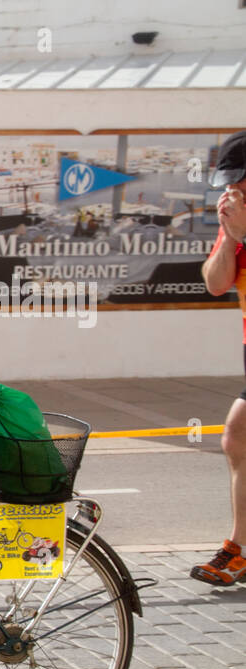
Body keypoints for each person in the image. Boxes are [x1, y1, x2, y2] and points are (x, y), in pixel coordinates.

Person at [192, 130, 246, 585]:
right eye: (231, 183)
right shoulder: (238, 221)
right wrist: (230, 238)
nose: (235, 191)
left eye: (242, 181)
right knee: (236, 438)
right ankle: (239, 548)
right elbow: (214, 283)